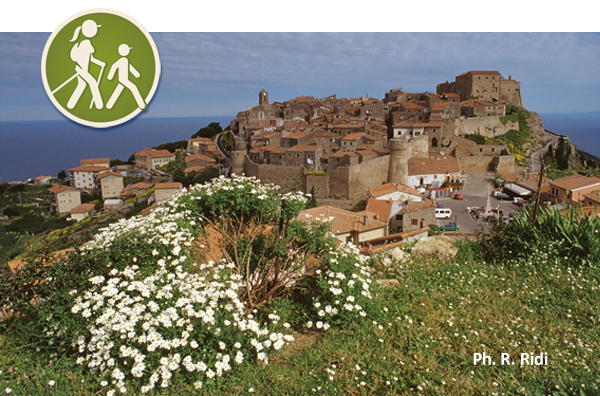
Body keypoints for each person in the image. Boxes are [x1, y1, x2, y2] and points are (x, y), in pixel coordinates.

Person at [66, 20, 105, 110]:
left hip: (79, 68)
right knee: (93, 82)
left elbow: (91, 59)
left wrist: (101, 63)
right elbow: (91, 53)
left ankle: (70, 104)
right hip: (81, 69)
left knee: (82, 85)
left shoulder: (81, 43)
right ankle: (99, 105)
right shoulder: (86, 42)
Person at [106, 44, 146, 110]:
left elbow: (130, 68)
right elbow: (114, 66)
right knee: (134, 87)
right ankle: (141, 105)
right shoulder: (122, 60)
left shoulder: (125, 60)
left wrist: (136, 74)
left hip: (123, 79)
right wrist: (110, 76)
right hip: (123, 79)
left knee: (118, 91)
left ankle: (109, 105)